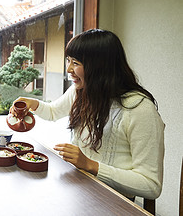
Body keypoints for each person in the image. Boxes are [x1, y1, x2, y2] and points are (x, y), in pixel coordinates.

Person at [11, 29, 164, 200]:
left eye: (75, 63)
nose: (68, 69)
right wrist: (33, 103)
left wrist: (90, 165)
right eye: (68, 60)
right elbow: (53, 112)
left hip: (113, 204)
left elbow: (151, 185)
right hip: (80, 191)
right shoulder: (82, 91)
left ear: (100, 67)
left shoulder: (139, 109)